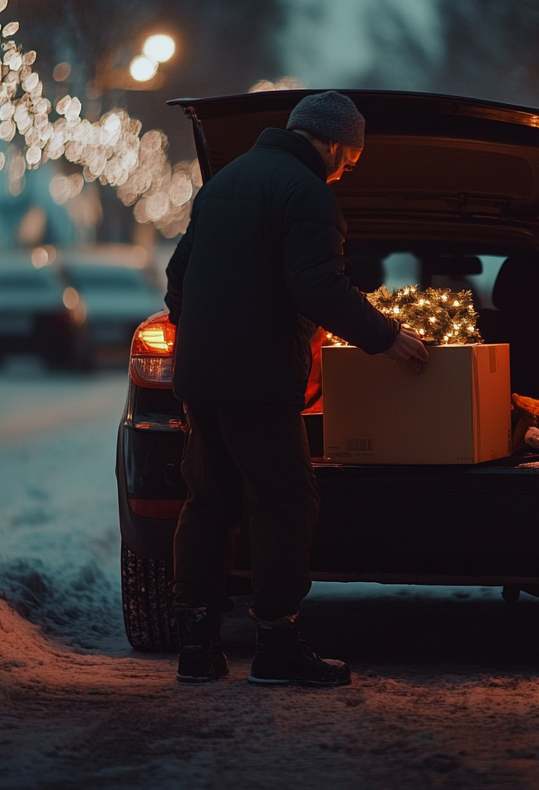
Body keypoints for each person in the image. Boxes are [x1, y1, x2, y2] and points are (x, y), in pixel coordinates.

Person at [164, 90, 428, 686]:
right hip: (257, 381)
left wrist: (203, 332)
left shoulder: (224, 183)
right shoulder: (306, 192)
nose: (343, 173)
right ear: (333, 142)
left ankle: (196, 645)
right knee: (285, 501)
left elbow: (178, 278)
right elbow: (318, 289)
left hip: (200, 378)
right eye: (349, 161)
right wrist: (386, 338)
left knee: (209, 502)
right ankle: (277, 647)